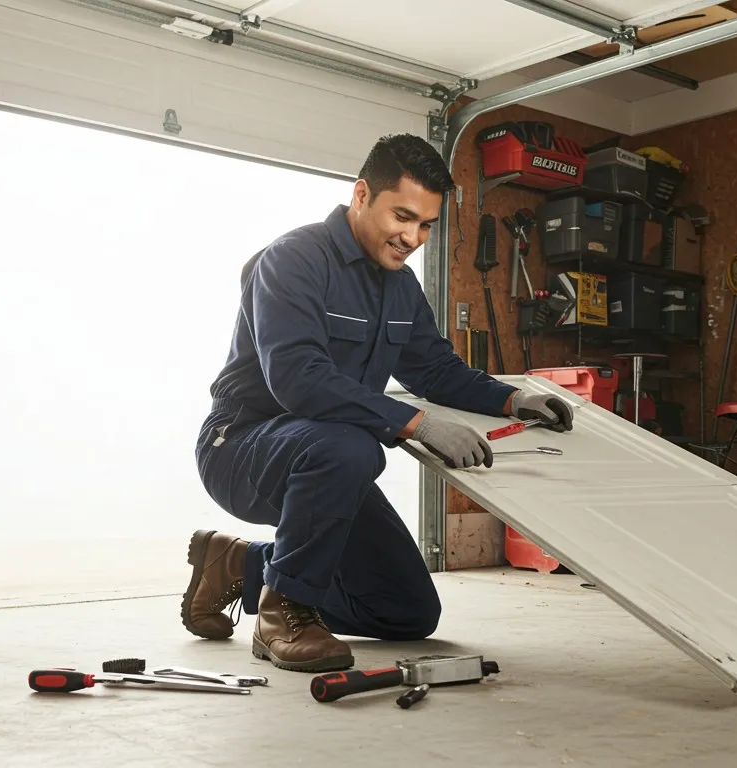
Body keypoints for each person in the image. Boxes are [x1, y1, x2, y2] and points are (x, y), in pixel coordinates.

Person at [179, 134, 574, 673]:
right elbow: (298, 379)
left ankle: (241, 566)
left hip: (331, 461)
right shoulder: (292, 260)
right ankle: (282, 612)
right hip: (243, 448)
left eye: (426, 225)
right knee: (352, 446)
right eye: (402, 216)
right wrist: (417, 424)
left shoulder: (401, 286)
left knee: (406, 610)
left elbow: (436, 370)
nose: (413, 237)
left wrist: (513, 399)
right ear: (362, 195)